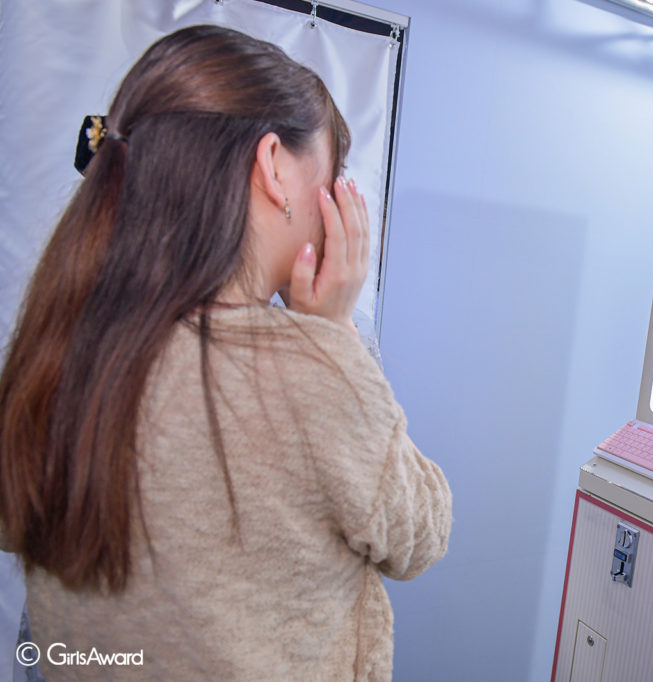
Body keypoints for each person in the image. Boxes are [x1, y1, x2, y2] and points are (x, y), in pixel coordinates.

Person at [0, 25, 451, 681]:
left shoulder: (61, 342)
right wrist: (334, 333)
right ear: (273, 167)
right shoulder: (312, 372)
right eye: (334, 173)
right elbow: (421, 533)